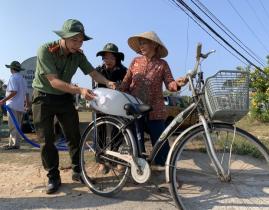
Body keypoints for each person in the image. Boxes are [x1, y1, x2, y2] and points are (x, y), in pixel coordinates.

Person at [32, 19, 116, 194]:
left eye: (81, 41)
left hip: (64, 98)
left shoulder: (78, 54)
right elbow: (54, 81)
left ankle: (78, 172)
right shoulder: (45, 50)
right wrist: (79, 90)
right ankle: (53, 177)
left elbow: (92, 73)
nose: (78, 44)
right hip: (43, 97)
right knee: (47, 140)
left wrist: (108, 82)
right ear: (63, 37)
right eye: (74, 40)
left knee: (74, 136)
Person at [120, 31, 187, 167]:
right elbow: (125, 83)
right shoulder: (135, 61)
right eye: (140, 43)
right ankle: (139, 169)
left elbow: (170, 83)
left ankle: (166, 171)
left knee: (160, 142)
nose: (141, 46)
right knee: (135, 142)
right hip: (135, 108)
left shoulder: (162, 64)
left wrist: (178, 84)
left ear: (154, 45)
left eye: (144, 42)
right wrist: (117, 90)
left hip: (155, 109)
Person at [93, 43, 127, 174]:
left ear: (117, 59)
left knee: (117, 133)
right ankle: (101, 161)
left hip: (117, 107)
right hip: (101, 106)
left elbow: (126, 88)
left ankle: (115, 159)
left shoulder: (124, 71)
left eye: (111, 58)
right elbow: (95, 89)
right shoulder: (98, 71)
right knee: (100, 132)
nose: (108, 61)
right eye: (105, 58)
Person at [0, 61, 29, 150]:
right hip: (20, 106)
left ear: (12, 69)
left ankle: (14, 144)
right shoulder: (23, 79)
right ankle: (13, 143)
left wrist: (3, 100)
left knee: (13, 126)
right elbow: (27, 94)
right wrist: (27, 104)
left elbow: (14, 91)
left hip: (12, 105)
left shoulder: (13, 78)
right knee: (17, 126)